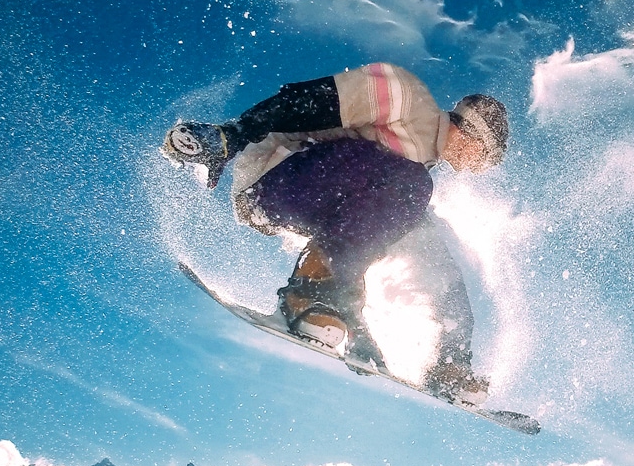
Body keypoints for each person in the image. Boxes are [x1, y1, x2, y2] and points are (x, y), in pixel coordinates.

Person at [162, 63, 507, 404]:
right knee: (413, 186)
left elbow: (366, 240)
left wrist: (355, 320)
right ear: (473, 134)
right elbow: (311, 99)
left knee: (433, 253)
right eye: (486, 158)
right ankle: (308, 294)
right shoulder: (407, 97)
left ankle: (449, 363)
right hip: (274, 181)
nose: (480, 168)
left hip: (327, 197)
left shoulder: (418, 166)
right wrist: (234, 134)